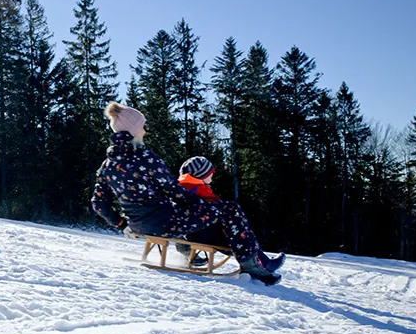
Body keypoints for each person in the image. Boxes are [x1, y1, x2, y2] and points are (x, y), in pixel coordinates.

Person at [91, 101, 285, 285]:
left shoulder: (107, 166)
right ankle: (255, 266)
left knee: (202, 212)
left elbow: (99, 203)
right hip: (167, 223)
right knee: (230, 209)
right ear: (133, 130)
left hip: (138, 226)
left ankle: (239, 259)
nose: (145, 130)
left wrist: (122, 224)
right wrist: (200, 205)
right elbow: (173, 190)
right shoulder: (145, 158)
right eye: (142, 125)